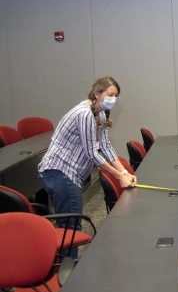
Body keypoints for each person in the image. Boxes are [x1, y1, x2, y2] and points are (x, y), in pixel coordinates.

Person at [38, 76, 137, 258]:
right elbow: (92, 153)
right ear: (97, 93)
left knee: (69, 225)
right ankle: (66, 272)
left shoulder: (99, 113)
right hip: (60, 172)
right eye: (109, 94)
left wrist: (124, 172)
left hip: (69, 174)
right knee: (70, 227)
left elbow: (105, 146)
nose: (113, 99)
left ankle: (64, 267)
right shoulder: (84, 114)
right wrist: (119, 176)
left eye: (116, 96)